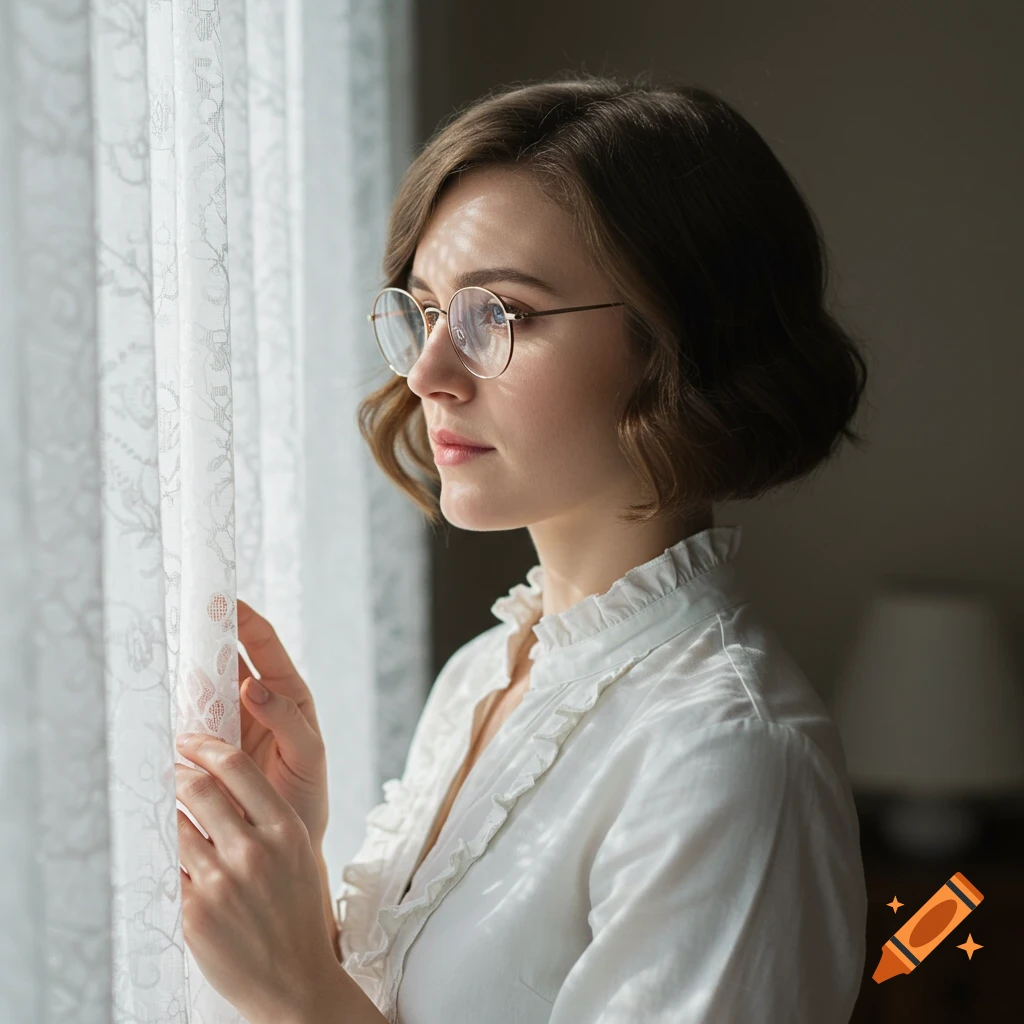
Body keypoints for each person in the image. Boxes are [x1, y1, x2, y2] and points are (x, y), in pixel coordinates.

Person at [240, 71, 870, 1023]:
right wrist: (293, 866)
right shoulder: (481, 676)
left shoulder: (731, 754)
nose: (429, 373)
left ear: (680, 344)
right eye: (426, 311)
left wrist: (295, 991)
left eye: (499, 314)